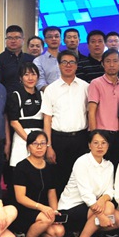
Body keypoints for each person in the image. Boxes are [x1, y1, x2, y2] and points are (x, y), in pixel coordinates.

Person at [55, 130, 119, 237]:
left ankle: (83, 233)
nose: (100, 146)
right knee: (109, 208)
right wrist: (101, 215)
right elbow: (85, 194)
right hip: (71, 208)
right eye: (96, 143)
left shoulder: (109, 165)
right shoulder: (82, 162)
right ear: (89, 145)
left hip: (92, 208)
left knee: (118, 219)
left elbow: (109, 190)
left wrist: (102, 200)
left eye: (103, 143)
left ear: (108, 145)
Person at [42, 50, 89, 191]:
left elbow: (91, 114)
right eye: (64, 62)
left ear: (77, 65)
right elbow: (47, 120)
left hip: (81, 139)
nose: (68, 65)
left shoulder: (86, 87)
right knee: (59, 178)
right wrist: (48, 146)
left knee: (81, 178)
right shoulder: (51, 89)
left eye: (72, 62)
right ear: (59, 65)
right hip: (59, 140)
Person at [12, 130, 64, 237]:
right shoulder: (21, 167)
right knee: (46, 219)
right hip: (24, 210)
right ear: (28, 147)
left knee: (58, 231)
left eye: (43, 143)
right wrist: (42, 208)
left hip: (42, 210)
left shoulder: (50, 167)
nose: (39, 147)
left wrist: (55, 211)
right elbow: (20, 198)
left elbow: (51, 192)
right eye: (35, 143)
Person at [87, 49, 119, 167]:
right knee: (100, 168)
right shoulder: (96, 83)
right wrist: (94, 136)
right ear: (102, 64)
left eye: (115, 61)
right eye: (108, 61)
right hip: (102, 134)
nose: (111, 65)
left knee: (118, 168)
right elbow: (91, 112)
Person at [7, 63, 43, 169]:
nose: (30, 78)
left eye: (33, 74)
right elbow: (14, 122)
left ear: (38, 76)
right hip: (21, 139)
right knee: (20, 169)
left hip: (40, 139)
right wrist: (30, 141)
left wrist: (39, 143)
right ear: (20, 78)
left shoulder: (42, 95)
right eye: (26, 75)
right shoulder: (16, 95)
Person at [0, 25, 36, 92]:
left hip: (29, 95)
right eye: (10, 38)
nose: (13, 41)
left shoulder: (31, 59)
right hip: (8, 96)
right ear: (6, 40)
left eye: (17, 38)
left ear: (23, 40)